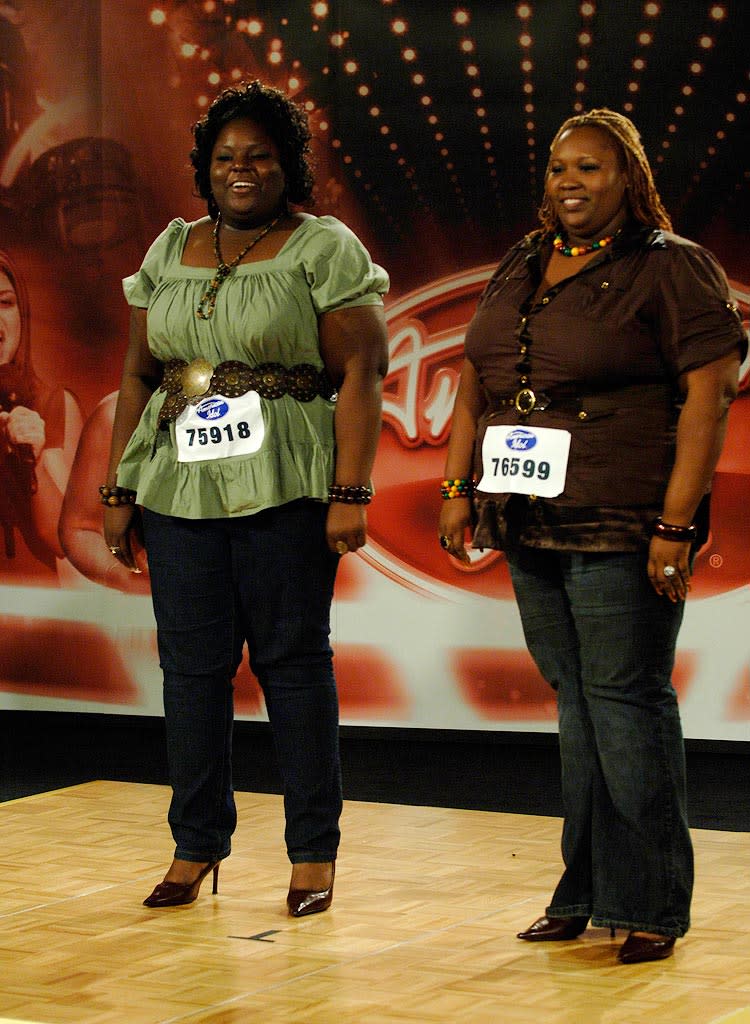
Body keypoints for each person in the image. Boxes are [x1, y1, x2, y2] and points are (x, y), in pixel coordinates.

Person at [439, 108, 746, 964]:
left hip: (623, 518)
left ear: (629, 179)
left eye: (591, 169)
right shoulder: (523, 261)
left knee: (625, 701)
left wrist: (675, 524)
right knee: (579, 704)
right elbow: (475, 379)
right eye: (558, 169)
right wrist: (459, 486)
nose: (570, 183)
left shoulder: (672, 268)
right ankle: (583, 892)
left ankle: (650, 903)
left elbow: (709, 399)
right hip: (531, 516)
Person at [102, 81, 389, 916]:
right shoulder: (170, 248)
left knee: (292, 665)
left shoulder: (321, 246)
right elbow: (136, 373)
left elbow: (363, 371)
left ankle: (311, 853)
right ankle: (195, 845)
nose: (241, 169)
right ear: (205, 166)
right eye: (226, 156)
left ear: (286, 164)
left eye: (259, 155)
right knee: (190, 670)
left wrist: (351, 490)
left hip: (288, 481)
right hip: (177, 482)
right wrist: (119, 483)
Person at [0, 248, 82, 579]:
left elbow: (62, 541)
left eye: (5, 303)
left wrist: (32, 460)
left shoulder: (53, 406)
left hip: (32, 612)